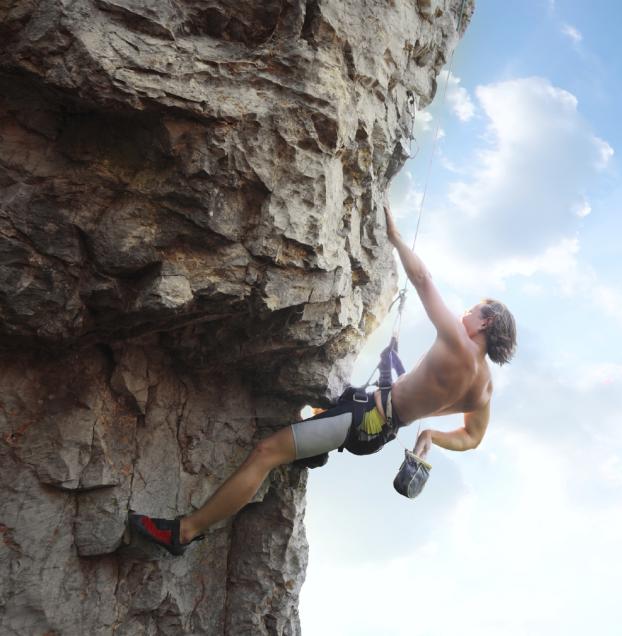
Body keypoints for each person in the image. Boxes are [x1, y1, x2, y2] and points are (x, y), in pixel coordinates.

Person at [129, 206, 516, 555]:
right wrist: (432, 435)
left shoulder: (459, 344)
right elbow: (473, 438)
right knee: (319, 404)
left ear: (486, 322)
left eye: (472, 310)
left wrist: (396, 237)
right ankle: (313, 447)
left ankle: (185, 532)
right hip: (376, 426)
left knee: (266, 453)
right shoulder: (484, 390)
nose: (464, 314)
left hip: (364, 420)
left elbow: (423, 279)